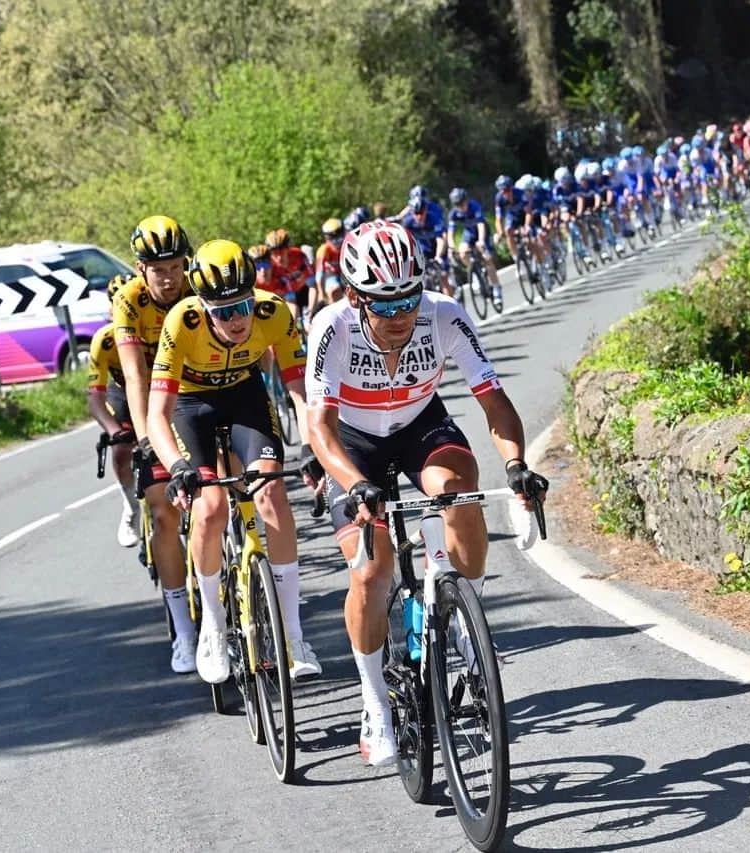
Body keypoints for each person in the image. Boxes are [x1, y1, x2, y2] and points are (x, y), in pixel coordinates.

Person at [304, 220, 548, 765]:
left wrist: (516, 465)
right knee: (370, 572)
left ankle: (466, 622)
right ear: (353, 297)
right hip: (354, 442)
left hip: (420, 425)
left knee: (460, 491)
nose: (400, 317)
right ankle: (374, 703)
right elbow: (318, 427)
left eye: (408, 300)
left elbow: (494, 401)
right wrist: (354, 483)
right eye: (384, 306)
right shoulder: (332, 326)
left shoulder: (444, 315)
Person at [147, 239, 322, 682]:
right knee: (209, 508)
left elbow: (300, 392)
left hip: (245, 396)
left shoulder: (274, 312)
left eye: (242, 306)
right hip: (191, 405)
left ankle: (294, 634)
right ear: (203, 308)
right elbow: (157, 415)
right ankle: (213, 625)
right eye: (223, 312)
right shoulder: (181, 322)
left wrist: (311, 447)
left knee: (271, 493)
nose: (237, 320)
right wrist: (177, 468)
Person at [112, 214, 199, 674]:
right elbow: (133, 374)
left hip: (199, 394)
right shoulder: (128, 302)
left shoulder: (198, 287)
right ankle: (183, 630)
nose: (168, 277)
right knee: (165, 512)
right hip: (152, 400)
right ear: (141, 269)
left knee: (217, 494)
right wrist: (146, 438)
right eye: (157, 268)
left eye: (175, 266)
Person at [87, 274, 139, 547]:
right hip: (122, 393)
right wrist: (114, 430)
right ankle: (131, 508)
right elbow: (95, 397)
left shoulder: (157, 324)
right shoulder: (104, 340)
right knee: (121, 451)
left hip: (158, 389)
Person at [447, 187, 504, 311]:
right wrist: (451, 247)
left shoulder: (474, 206)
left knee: (487, 258)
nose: (461, 206)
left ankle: (496, 288)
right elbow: (450, 233)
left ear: (466, 200)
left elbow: (480, 225)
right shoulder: (454, 213)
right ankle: (476, 275)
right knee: (463, 253)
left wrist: (482, 241)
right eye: (457, 205)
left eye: (462, 203)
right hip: (469, 234)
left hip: (482, 232)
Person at [265, 228, 317, 323]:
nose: (279, 257)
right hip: (289, 294)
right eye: (274, 253)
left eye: (282, 251)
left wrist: (310, 312)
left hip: (306, 290)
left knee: (310, 323)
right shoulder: (271, 266)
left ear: (288, 248)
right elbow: (289, 299)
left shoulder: (299, 256)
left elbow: (312, 286)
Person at [315, 217, 346, 304]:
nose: (337, 242)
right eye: (332, 239)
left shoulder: (349, 243)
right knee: (334, 291)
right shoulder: (323, 250)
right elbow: (319, 276)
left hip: (346, 272)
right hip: (331, 274)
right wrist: (321, 295)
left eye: (339, 238)